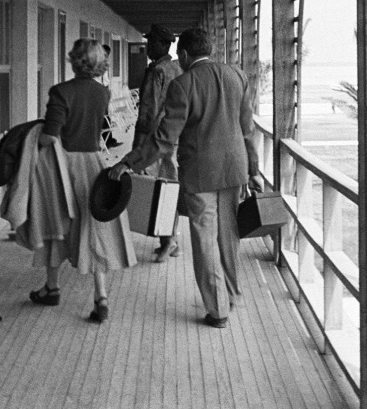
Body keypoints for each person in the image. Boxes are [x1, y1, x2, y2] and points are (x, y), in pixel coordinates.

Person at [111, 27, 264, 328]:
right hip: (234, 171)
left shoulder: (183, 84)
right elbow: (247, 130)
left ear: (183, 54)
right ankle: (231, 295)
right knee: (229, 236)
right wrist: (254, 169)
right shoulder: (237, 76)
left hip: (200, 173)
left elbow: (165, 139)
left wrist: (130, 161)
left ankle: (218, 310)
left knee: (205, 240)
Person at [29, 38, 136, 323]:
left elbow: (50, 136)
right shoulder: (102, 93)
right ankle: (101, 295)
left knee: (55, 223)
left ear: (74, 60)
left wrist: (31, 139)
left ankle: (51, 287)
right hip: (93, 162)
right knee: (92, 227)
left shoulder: (61, 92)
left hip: (62, 164)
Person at [135, 24, 185, 262]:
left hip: (155, 139)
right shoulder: (177, 68)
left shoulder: (158, 71)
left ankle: (169, 241)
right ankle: (169, 239)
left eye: (152, 43)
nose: (148, 47)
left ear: (165, 45)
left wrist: (140, 145)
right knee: (168, 186)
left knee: (159, 188)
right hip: (172, 136)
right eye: (148, 42)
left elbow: (149, 110)